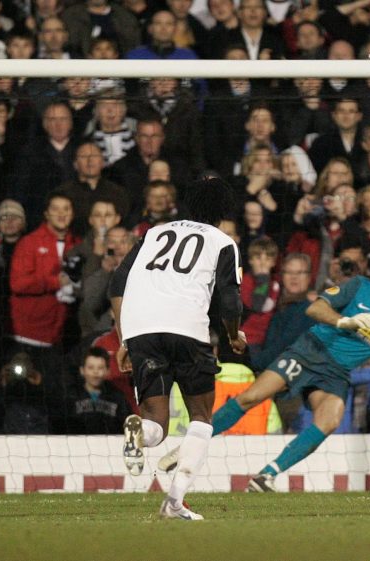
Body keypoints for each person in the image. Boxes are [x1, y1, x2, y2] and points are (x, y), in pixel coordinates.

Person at [160, 254, 370, 491]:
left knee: (330, 420)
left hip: (336, 372)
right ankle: (186, 448)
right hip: (310, 351)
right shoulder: (359, 286)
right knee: (251, 397)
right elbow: (315, 310)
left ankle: (267, 475)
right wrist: (345, 322)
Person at [109, 177, 245, 520]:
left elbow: (116, 283)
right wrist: (232, 335)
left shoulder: (153, 233)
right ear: (223, 211)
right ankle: (174, 501)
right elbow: (229, 300)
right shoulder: (222, 241)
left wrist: (125, 337)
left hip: (142, 329)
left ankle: (140, 433)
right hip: (186, 327)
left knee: (156, 423)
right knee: (201, 418)